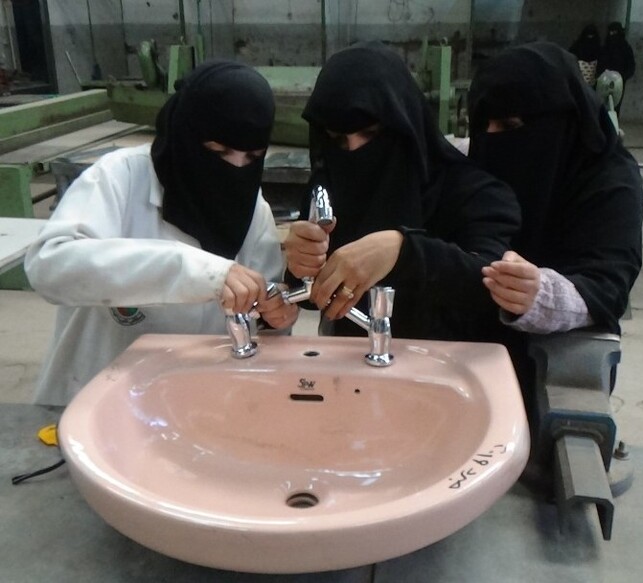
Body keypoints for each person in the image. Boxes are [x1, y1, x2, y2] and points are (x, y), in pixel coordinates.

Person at [25, 60, 297, 406]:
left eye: (252, 157)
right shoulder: (119, 177)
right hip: (92, 399)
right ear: (186, 133)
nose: (236, 169)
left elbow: (263, 320)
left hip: (191, 408)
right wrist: (195, 269)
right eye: (219, 152)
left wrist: (275, 316)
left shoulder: (253, 209)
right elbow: (50, 266)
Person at [467, 42, 643, 473]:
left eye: (509, 124)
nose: (492, 139)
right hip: (473, 349)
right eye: (481, 124)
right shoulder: (483, 162)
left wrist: (542, 295)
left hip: (555, 351)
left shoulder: (608, 179)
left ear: (560, 119)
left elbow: (608, 284)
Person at [283, 41, 520, 342]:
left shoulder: (471, 191)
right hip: (350, 365)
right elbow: (311, 295)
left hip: (448, 366)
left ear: (404, 122)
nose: (354, 152)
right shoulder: (331, 186)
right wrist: (299, 265)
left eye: (371, 134)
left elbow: (493, 283)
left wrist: (404, 250)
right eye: (338, 140)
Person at [597, 21, 636, 114]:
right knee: (602, 104)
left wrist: (623, 77)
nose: (612, 35)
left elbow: (631, 66)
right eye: (610, 32)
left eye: (614, 32)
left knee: (616, 104)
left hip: (619, 82)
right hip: (604, 80)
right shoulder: (605, 47)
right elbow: (600, 63)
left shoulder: (625, 48)